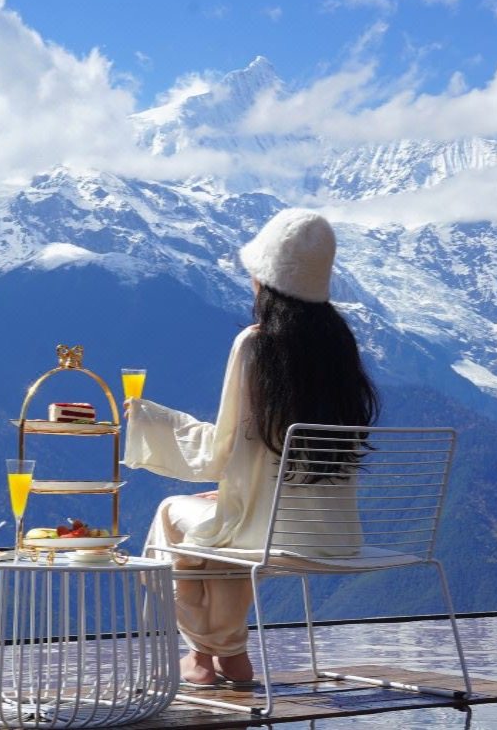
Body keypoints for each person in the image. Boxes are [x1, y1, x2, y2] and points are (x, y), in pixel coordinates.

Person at [123, 208, 379, 686]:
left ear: (266, 279)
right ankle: (225, 658)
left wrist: (148, 418)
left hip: (272, 533)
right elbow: (280, 454)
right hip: (335, 534)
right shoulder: (340, 348)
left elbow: (220, 450)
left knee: (173, 516)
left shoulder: (256, 345)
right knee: (219, 528)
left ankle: (209, 657)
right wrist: (238, 493)